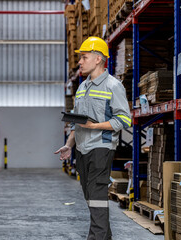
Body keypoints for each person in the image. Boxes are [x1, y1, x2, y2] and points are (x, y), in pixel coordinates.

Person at [55, 37, 131, 240]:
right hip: (81, 148)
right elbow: (77, 122)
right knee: (90, 196)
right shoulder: (82, 87)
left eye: (84, 57)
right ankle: (104, 237)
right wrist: (68, 145)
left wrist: (95, 126)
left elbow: (124, 119)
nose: (80, 61)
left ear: (98, 59)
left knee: (96, 195)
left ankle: (97, 237)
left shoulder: (113, 86)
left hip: (101, 146)